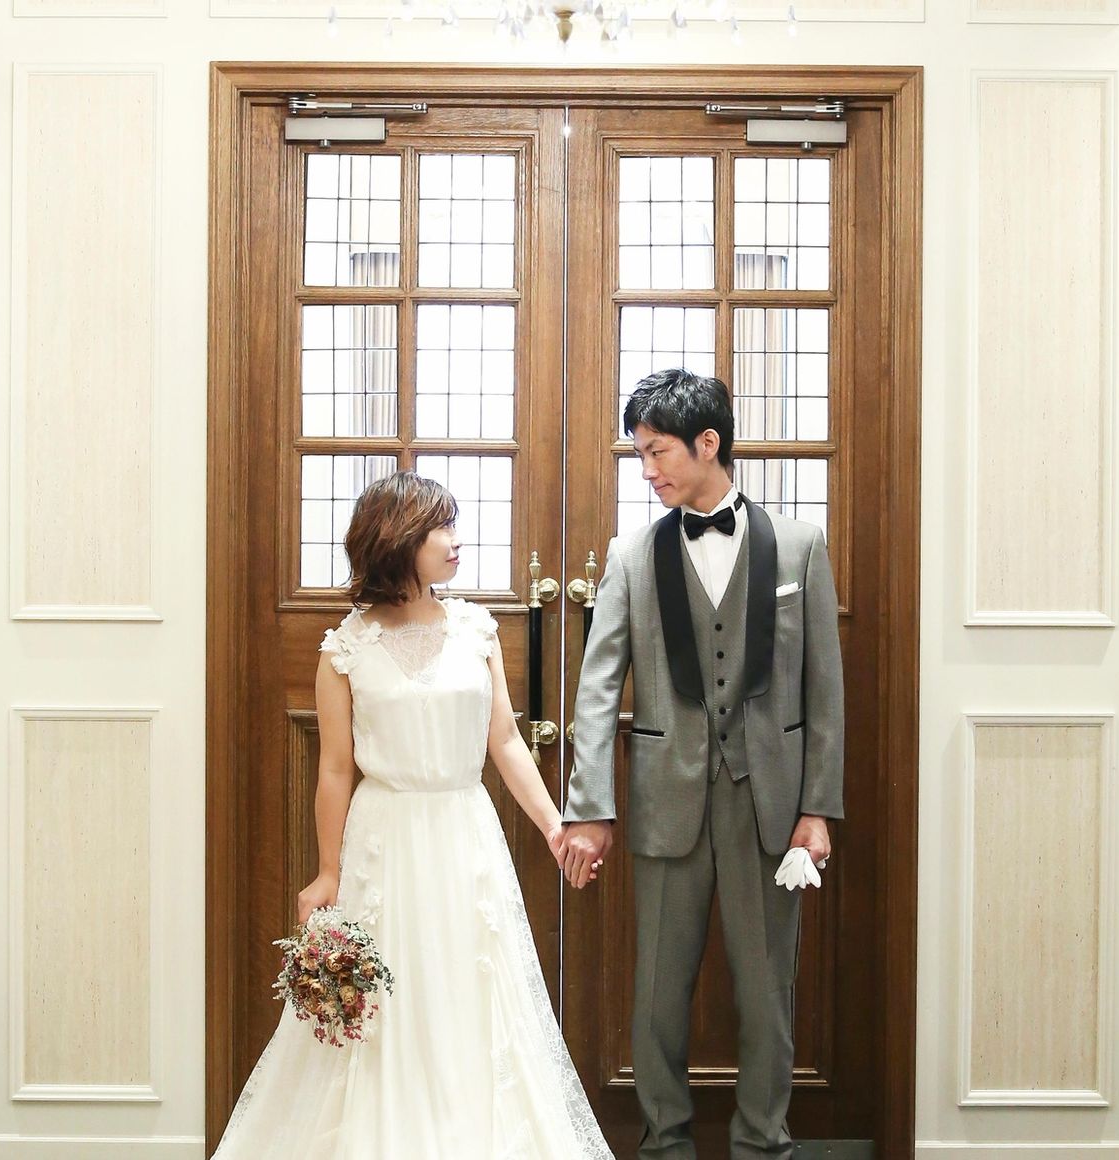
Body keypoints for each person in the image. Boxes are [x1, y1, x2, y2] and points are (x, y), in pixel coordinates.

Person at [214, 471, 612, 1160]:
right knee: (386, 1004)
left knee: (468, 990)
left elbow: (505, 741)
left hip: (464, 833)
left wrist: (555, 826)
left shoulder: (476, 630)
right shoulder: (345, 648)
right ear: (398, 539)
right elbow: (335, 769)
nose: (457, 540)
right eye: (441, 528)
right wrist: (328, 871)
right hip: (384, 840)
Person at [559, 369, 844, 1160]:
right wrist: (590, 807)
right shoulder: (630, 556)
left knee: (767, 994)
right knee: (658, 994)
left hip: (771, 807)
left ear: (707, 442)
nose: (646, 471)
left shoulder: (800, 546)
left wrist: (818, 809)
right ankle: (665, 1145)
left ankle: (763, 1144)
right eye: (639, 455)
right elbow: (596, 690)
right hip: (665, 802)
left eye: (656, 452)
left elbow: (825, 690)